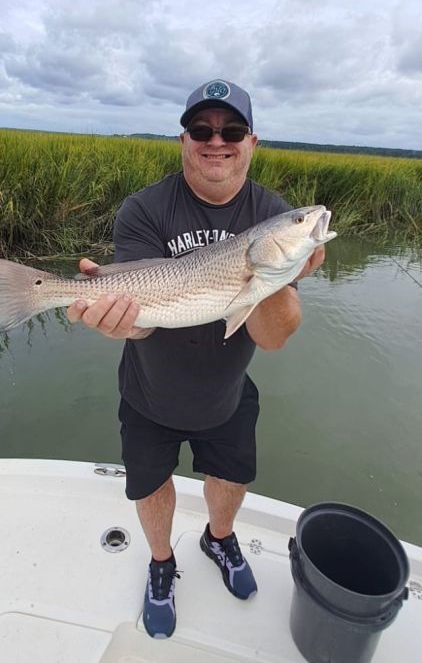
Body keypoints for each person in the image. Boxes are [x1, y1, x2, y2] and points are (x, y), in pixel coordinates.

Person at [67, 79, 325, 639]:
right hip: (149, 391)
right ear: (183, 138)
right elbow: (139, 313)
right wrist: (119, 322)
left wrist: (276, 276)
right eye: (202, 130)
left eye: (231, 130)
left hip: (228, 393)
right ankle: (161, 564)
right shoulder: (145, 209)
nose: (217, 141)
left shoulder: (271, 212)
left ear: (252, 141)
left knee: (232, 477)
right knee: (150, 486)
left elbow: (275, 338)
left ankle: (220, 537)